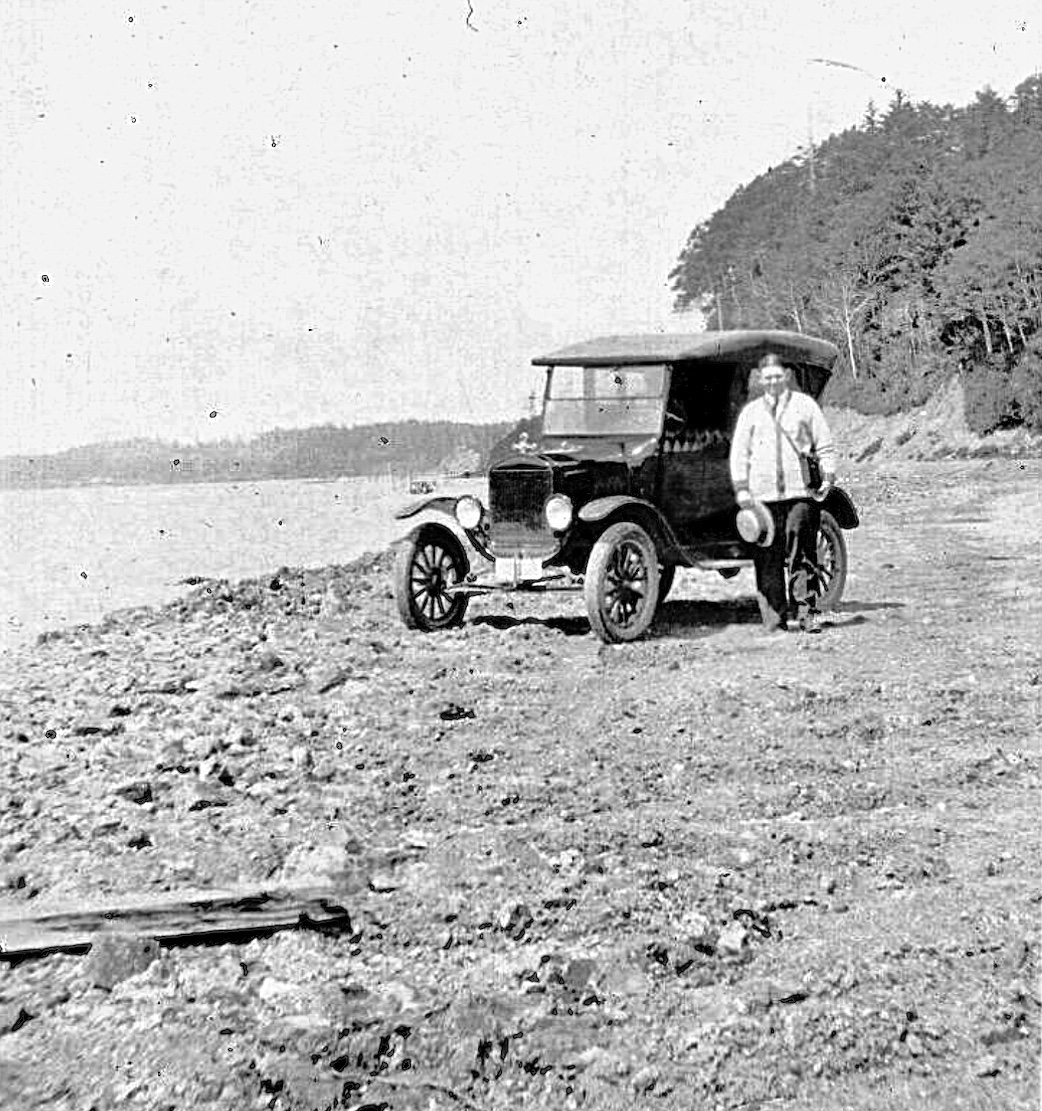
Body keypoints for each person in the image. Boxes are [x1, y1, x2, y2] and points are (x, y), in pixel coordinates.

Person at [729, 353, 837, 633]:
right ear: (760, 379)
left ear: (786, 376)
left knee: (803, 553)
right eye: (767, 378)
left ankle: (805, 613)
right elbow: (739, 453)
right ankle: (774, 620)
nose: (773, 382)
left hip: (799, 493)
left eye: (777, 376)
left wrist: (828, 475)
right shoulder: (751, 412)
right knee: (767, 559)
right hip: (762, 499)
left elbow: (824, 443)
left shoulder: (805, 406)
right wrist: (742, 490)